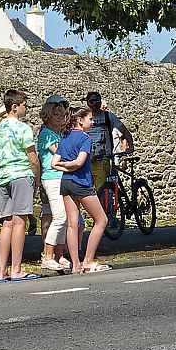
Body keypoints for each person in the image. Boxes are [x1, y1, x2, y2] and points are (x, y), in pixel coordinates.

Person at [55, 100, 111, 273]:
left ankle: (75, 264)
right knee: (101, 220)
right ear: (80, 120)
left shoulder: (64, 137)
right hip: (81, 183)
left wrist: (64, 166)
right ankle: (87, 260)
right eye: (90, 119)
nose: (92, 122)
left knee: (73, 224)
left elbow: (54, 162)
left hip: (66, 183)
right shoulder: (85, 138)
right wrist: (71, 165)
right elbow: (79, 162)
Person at [0, 90, 39, 283]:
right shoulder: (23, 128)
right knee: (20, 221)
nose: (25, 108)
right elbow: (32, 157)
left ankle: (2, 270)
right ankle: (17, 269)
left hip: (3, 176)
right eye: (24, 105)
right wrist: (36, 177)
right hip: (20, 174)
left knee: (7, 223)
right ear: (15, 107)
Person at [36, 98, 71, 272]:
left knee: (64, 218)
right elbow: (60, 153)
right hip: (52, 177)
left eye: (62, 115)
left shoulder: (58, 134)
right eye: (56, 115)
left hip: (61, 176)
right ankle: (48, 255)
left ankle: (59, 255)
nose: (60, 118)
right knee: (59, 217)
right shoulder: (47, 134)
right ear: (48, 116)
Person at [83, 91, 133, 212]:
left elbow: (123, 130)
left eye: (97, 101)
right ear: (87, 103)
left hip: (105, 158)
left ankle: (109, 217)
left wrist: (130, 145)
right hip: (88, 159)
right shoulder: (85, 118)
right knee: (92, 190)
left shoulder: (107, 116)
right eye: (92, 101)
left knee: (104, 189)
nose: (95, 104)